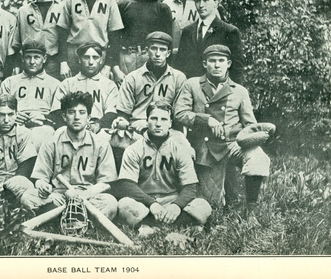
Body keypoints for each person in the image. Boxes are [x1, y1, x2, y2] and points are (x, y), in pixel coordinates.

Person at [174, 45, 270, 211]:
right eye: (212, 61)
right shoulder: (192, 85)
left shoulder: (239, 91)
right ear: (205, 64)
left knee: (258, 157)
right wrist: (206, 120)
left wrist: (256, 135)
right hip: (206, 148)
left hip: (233, 145)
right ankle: (223, 195)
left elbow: (249, 124)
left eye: (221, 61)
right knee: (212, 205)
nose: (217, 65)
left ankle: (251, 208)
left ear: (229, 63)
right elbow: (180, 113)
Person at [111, 101, 211, 229]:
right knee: (124, 205)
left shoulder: (179, 149)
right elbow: (127, 185)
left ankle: (151, 225)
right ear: (147, 121)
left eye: (164, 119)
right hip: (144, 203)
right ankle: (179, 224)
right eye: (154, 118)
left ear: (170, 123)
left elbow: (190, 187)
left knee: (202, 205)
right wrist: (152, 204)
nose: (158, 124)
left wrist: (176, 206)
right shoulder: (133, 149)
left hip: (171, 201)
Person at [20, 91, 118, 220]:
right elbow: (40, 178)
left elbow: (105, 183)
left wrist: (81, 195)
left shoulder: (101, 144)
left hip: (88, 195)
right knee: (28, 197)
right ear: (64, 117)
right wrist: (43, 186)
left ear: (89, 117)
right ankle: (79, 217)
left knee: (109, 203)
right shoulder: (51, 142)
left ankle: (59, 217)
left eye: (82, 113)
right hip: (59, 195)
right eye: (71, 112)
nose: (77, 117)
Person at [56, 0, 124, 78]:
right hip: (75, 55)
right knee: (73, 93)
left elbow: (115, 37)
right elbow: (62, 32)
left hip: (99, 56)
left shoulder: (109, 1)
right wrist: (63, 62)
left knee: (98, 93)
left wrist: (108, 65)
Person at [174, 0, 245, 84]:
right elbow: (180, 66)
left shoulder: (229, 32)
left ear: (216, 2)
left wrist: (233, 95)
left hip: (217, 91)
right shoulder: (187, 31)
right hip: (191, 90)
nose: (201, 5)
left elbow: (237, 70)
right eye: (197, 1)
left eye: (205, 0)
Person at [113, 0, 173, 81]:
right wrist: (115, 69)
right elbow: (114, 39)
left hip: (151, 61)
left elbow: (167, 43)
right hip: (126, 60)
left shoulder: (162, 9)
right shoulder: (123, 6)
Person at [115, 31, 186, 133]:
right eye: (154, 49)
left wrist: (151, 123)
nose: (158, 54)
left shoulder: (179, 78)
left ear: (168, 53)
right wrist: (123, 122)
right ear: (147, 51)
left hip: (166, 128)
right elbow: (123, 113)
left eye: (162, 50)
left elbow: (179, 114)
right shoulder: (132, 78)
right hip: (137, 128)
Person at [1, 39, 60, 149]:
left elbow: (59, 114)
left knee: (38, 138)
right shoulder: (10, 82)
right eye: (28, 57)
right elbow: (0, 108)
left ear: (44, 58)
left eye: (37, 57)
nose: (32, 61)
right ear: (22, 58)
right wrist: (14, 115)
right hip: (13, 124)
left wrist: (43, 117)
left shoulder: (55, 84)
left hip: (42, 126)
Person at [49, 42, 118, 133]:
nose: (90, 62)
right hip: (71, 127)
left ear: (101, 60)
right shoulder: (68, 83)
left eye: (95, 57)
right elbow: (57, 111)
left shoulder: (109, 85)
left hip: (97, 127)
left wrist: (98, 125)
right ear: (79, 60)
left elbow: (111, 112)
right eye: (86, 57)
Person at [11, 0, 62, 79]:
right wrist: (16, 65)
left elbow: (66, 40)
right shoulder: (23, 11)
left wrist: (64, 62)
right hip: (30, 63)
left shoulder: (62, 9)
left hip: (54, 63)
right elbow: (16, 43)